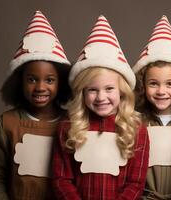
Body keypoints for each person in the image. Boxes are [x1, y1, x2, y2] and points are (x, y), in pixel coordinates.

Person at [51, 15, 149, 200]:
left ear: (122, 91)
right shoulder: (67, 126)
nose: (101, 97)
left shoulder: (137, 129)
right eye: (92, 90)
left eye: (109, 89)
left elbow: (136, 184)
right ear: (81, 91)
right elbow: (61, 179)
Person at [0, 11, 71, 200]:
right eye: (32, 79)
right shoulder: (7, 123)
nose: (40, 87)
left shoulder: (71, 122)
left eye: (49, 80)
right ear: (19, 82)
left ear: (61, 83)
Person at [133, 15, 171, 199]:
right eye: (153, 83)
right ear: (143, 85)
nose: (161, 91)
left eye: (169, 84)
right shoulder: (136, 121)